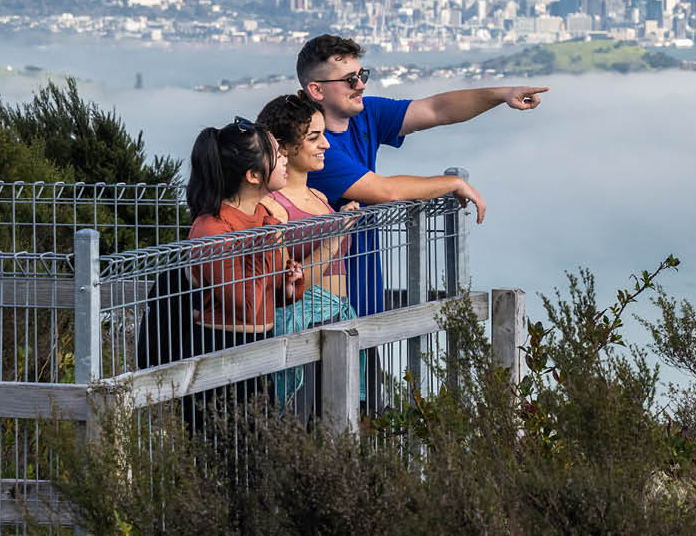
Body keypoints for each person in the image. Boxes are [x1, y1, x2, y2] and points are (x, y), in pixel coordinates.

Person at [295, 33, 546, 314]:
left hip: (363, 301)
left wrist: (502, 95)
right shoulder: (313, 149)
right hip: (323, 311)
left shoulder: (366, 114)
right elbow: (384, 192)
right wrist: (451, 183)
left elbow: (436, 109)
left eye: (361, 74)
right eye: (350, 80)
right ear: (317, 90)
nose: (361, 85)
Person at [256, 92, 363, 405]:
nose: (325, 144)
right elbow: (291, 285)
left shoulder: (319, 196)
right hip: (304, 327)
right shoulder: (272, 207)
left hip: (341, 318)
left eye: (324, 135)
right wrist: (338, 232)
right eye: (314, 137)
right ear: (284, 147)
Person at [174, 118, 306, 362]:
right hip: (218, 349)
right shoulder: (212, 229)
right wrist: (264, 242)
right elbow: (245, 308)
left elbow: (266, 293)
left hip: (262, 344)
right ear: (254, 175)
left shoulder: (262, 216)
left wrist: (289, 286)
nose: (286, 158)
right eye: (277, 153)